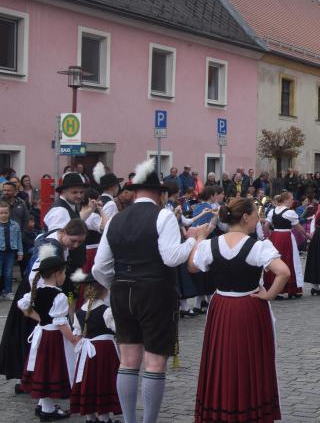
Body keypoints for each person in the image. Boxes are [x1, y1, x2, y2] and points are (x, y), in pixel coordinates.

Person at [92, 159, 207, 423]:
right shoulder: (163, 215)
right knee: (154, 363)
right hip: (155, 291)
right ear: (160, 193)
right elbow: (171, 257)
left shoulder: (115, 219)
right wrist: (192, 239)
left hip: (121, 291)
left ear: (134, 192)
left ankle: (129, 420)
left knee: (128, 361)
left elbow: (99, 267)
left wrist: (115, 285)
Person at [188, 197, 289, 423]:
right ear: (245, 217)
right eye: (255, 215)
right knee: (250, 359)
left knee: (221, 358)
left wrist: (200, 239)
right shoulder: (257, 246)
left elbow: (193, 266)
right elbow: (283, 272)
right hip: (249, 307)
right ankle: (251, 410)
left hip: (221, 306)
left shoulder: (210, 245)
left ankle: (220, 409)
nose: (258, 219)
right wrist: (269, 295)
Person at [0, 220, 86, 394]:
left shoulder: (56, 238)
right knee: (35, 341)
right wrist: (44, 300)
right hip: (37, 294)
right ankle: (34, 380)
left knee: (36, 341)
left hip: (42, 293)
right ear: (64, 232)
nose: (76, 245)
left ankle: (36, 380)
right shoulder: (51, 248)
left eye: (80, 242)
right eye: (74, 241)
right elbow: (35, 275)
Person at [19, 252, 79, 421]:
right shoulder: (59, 296)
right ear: (56, 274)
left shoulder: (36, 291)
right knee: (50, 370)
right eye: (64, 273)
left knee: (43, 368)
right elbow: (61, 323)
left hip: (42, 334)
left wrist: (41, 319)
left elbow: (22, 305)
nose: (65, 276)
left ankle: (44, 405)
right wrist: (74, 340)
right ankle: (47, 409)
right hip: (53, 338)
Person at [69, 272, 120, 423]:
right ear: (104, 290)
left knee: (89, 381)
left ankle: (89, 417)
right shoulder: (106, 311)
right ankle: (104, 418)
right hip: (104, 352)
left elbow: (77, 334)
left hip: (86, 353)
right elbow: (118, 329)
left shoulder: (79, 312)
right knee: (103, 381)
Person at [265, 192, 306, 298]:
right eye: (291, 199)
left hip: (275, 237)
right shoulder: (289, 213)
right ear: (286, 200)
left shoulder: (273, 211)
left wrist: (267, 237)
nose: (293, 201)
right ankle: (291, 289)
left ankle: (276, 289)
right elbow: (299, 228)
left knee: (275, 260)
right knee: (289, 260)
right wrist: (308, 236)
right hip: (286, 237)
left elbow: (266, 225)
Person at [0, 201, 24, 299]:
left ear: (9, 212)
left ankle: (8, 292)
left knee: (8, 272)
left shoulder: (15, 225)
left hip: (10, 252)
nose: (3, 215)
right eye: (1, 213)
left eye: (5, 212)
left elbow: (19, 239)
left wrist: (20, 252)